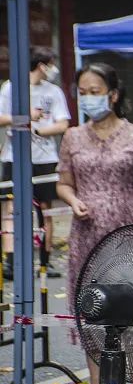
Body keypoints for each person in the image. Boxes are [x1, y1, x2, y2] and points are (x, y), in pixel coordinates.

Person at [55, 63, 133, 384]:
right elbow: (64, 182)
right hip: (86, 236)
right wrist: (72, 200)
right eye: (82, 92)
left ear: (113, 94)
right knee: (91, 308)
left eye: (95, 90)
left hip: (127, 233)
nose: (88, 97)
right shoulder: (72, 137)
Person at [0, 46, 71, 280]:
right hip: (14, 156)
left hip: (45, 158)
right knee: (11, 208)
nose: (53, 69)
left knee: (46, 209)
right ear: (41, 65)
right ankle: (10, 261)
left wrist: (39, 129)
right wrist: (26, 117)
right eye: (50, 64)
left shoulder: (54, 91)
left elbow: (62, 124)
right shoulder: (11, 88)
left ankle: (45, 260)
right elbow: (2, 118)